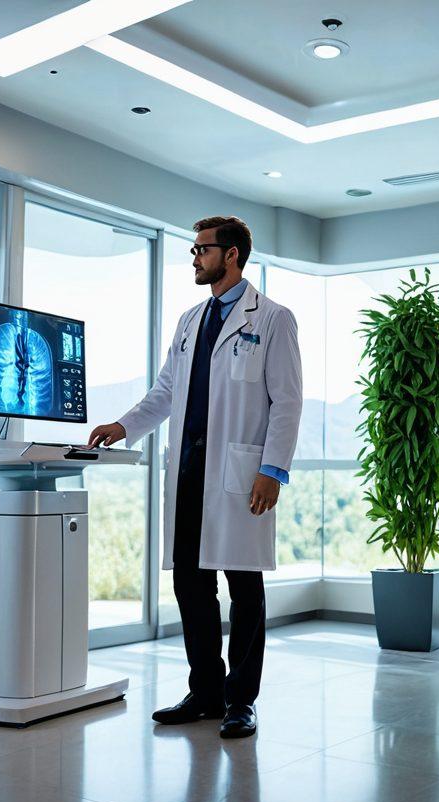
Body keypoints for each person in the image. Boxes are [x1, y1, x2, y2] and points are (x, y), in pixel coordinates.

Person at [86, 216, 302, 739]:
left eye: (202, 249)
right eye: (194, 249)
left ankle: (240, 700)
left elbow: (287, 401)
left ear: (231, 255)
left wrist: (272, 470)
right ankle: (205, 691)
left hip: (241, 475)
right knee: (190, 584)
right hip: (187, 472)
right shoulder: (189, 321)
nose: (195, 258)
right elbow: (166, 391)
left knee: (244, 589)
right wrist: (123, 425)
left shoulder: (273, 318)